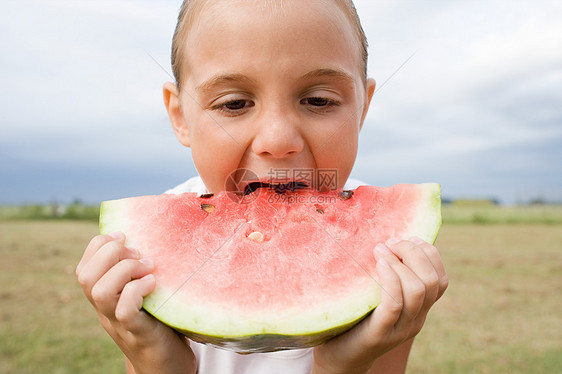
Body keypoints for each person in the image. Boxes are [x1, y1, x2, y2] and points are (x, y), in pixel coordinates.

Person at [76, 0, 449, 373]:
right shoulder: (144, 263)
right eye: (235, 103)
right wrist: (157, 361)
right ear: (180, 115)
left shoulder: (386, 258)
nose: (278, 139)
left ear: (361, 109)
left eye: (318, 100)